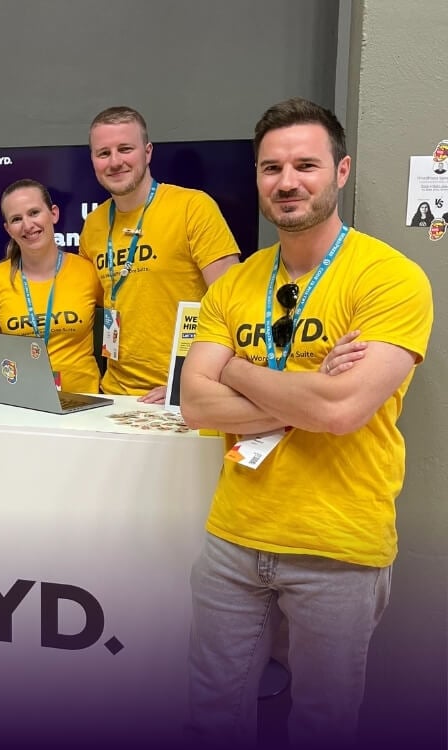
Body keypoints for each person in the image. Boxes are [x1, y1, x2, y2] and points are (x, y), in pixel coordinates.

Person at [180, 98, 433, 747]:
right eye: (271, 167)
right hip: (233, 538)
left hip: (338, 547)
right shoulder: (234, 285)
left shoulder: (391, 279)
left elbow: (342, 411)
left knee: (323, 725)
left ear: (341, 172)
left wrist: (234, 367)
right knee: (212, 712)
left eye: (305, 165)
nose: (287, 180)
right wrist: (310, 389)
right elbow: (193, 405)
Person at [79, 107, 241, 403]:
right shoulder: (93, 225)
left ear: (147, 152)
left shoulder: (193, 207)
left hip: (179, 395)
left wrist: (184, 383)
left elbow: (234, 307)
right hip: (114, 393)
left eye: (125, 149)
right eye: (103, 153)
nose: (115, 162)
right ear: (93, 160)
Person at [0, 179, 104, 393]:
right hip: (22, 401)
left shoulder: (89, 272)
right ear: (8, 229)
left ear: (53, 213)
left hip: (85, 403)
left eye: (34, 212)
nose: (28, 225)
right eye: (16, 219)